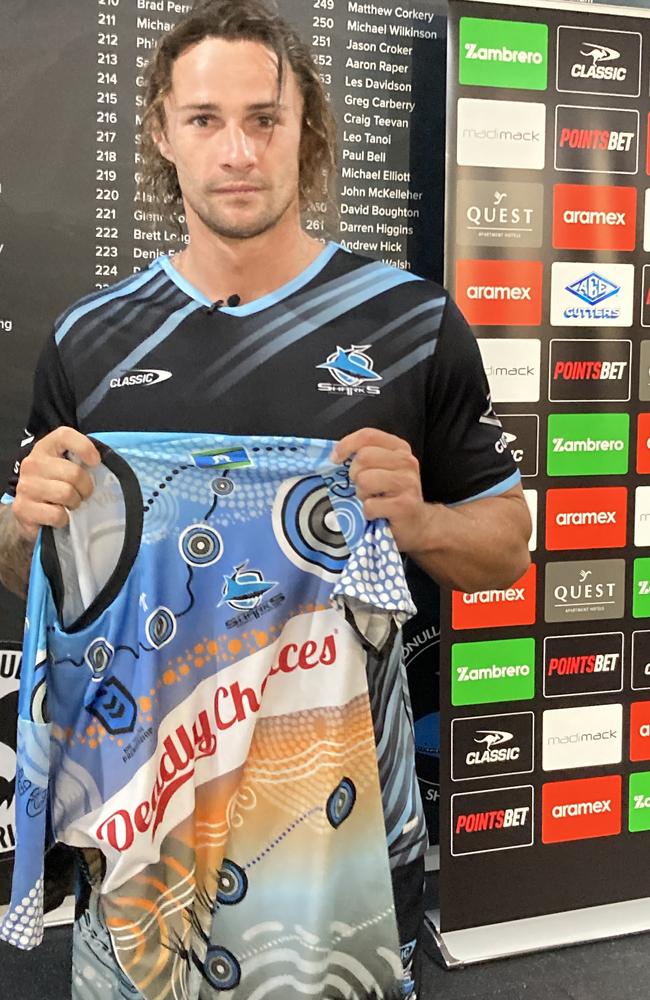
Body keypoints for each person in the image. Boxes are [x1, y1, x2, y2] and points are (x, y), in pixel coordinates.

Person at [0, 1, 531, 997]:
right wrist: (22, 520)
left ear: (307, 129)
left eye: (264, 117)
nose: (235, 150)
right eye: (205, 119)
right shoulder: (88, 340)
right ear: (162, 132)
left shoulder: (409, 325)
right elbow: (33, 572)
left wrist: (416, 522)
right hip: (144, 818)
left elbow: (505, 544)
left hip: (341, 829)